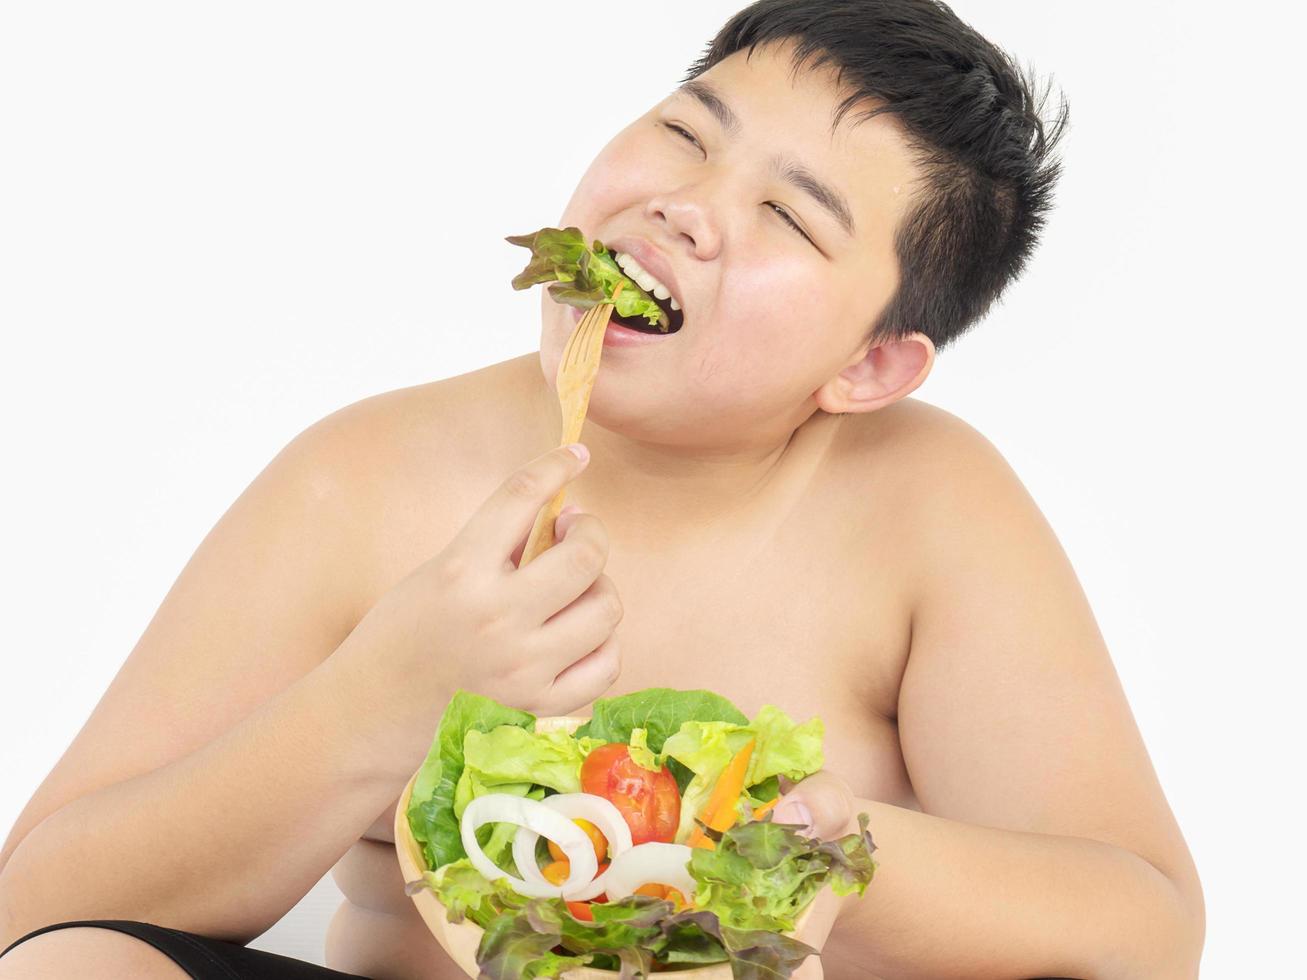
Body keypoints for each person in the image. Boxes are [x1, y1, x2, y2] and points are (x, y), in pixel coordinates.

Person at [0, 1, 1206, 977]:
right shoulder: (360, 481)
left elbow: (1141, 926)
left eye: (786, 212)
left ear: (868, 364)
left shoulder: (929, 509)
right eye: (687, 132)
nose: (686, 202)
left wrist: (843, 855)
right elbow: (39, 908)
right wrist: (380, 697)